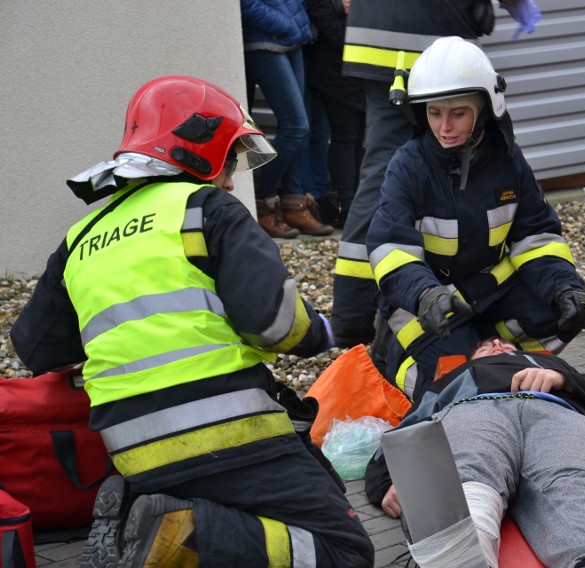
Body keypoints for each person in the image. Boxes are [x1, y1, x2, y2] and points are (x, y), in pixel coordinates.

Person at [10, 75, 373, 567]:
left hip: (131, 450)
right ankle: (180, 529)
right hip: (230, 431)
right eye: (229, 161)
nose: (229, 178)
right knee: (343, 550)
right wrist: (325, 331)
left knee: (244, 540)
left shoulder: (82, 235)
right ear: (195, 152)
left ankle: (154, 521)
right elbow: (272, 323)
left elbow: (37, 349)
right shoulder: (207, 210)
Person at [365, 36, 585, 401]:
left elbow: (536, 236)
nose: (444, 127)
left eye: (458, 113)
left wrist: (565, 287)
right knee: (445, 382)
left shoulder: (507, 160)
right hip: (424, 302)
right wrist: (426, 295)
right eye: (434, 113)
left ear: (485, 109)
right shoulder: (408, 165)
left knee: (557, 311)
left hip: (485, 291)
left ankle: (505, 357)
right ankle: (397, 352)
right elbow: (390, 248)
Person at [330, 0, 543, 347]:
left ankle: (352, 318)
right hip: (427, 40)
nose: (445, 126)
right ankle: (390, 307)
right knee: (410, 170)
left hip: (374, 40)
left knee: (382, 177)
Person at [365, 336, 585, 568]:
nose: (496, 343)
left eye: (502, 342)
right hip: (477, 408)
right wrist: (392, 482)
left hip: (558, 413)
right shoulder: (454, 378)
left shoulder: (557, 368)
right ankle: (460, 551)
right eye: (485, 346)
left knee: (574, 483)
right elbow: (403, 432)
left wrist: (563, 380)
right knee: (469, 468)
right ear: (472, 357)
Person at [241, 0, 334, 237]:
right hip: (265, 40)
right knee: (296, 125)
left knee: (300, 129)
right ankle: (265, 201)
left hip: (292, 39)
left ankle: (295, 205)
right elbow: (247, 5)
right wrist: (288, 24)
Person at [305, 0, 366, 229]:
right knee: (345, 138)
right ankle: (348, 206)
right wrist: (339, 8)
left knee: (359, 140)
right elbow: (321, 14)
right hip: (336, 73)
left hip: (362, 72)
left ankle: (358, 204)